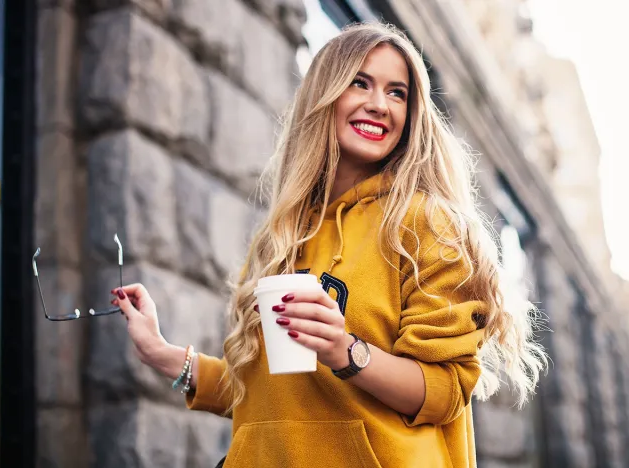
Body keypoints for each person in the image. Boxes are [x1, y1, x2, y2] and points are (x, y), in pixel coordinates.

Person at [110, 22, 547, 467]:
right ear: (325, 94)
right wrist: (166, 356)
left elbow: (443, 392)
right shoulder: (283, 236)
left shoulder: (426, 223)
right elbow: (273, 398)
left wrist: (346, 351)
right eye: (360, 82)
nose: (379, 105)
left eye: (397, 93)